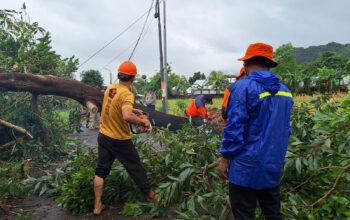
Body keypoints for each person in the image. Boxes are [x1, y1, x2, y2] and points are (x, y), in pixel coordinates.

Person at [218, 42, 294, 220]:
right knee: (273, 213)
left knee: (244, 214)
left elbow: (235, 128)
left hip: (245, 168)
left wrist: (224, 159)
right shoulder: (286, 92)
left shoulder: (242, 87)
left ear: (246, 63)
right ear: (269, 64)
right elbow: (285, 130)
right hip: (272, 166)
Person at [93, 61, 157, 215]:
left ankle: (97, 206)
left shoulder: (111, 88)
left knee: (101, 171)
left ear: (119, 75)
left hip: (103, 136)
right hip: (119, 140)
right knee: (135, 167)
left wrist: (132, 109)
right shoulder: (127, 94)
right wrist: (144, 122)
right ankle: (152, 197)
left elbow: (113, 105)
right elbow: (126, 115)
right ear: (133, 78)